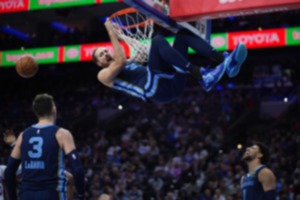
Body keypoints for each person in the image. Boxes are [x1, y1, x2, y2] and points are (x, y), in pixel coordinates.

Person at [92, 19, 247, 104]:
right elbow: (119, 61)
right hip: (155, 90)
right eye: (101, 54)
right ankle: (200, 75)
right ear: (99, 63)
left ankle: (225, 61)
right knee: (158, 40)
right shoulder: (103, 75)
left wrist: (141, 54)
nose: (105, 53)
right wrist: (112, 32)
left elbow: (130, 60)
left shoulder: (128, 62)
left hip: (171, 83)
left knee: (182, 36)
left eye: (105, 50)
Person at [4, 93, 85, 200]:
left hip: (26, 194)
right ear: (53, 108)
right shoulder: (62, 134)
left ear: (36, 112)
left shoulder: (23, 135)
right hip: (52, 193)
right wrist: (81, 195)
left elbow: (9, 171)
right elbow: (78, 170)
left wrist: (13, 198)